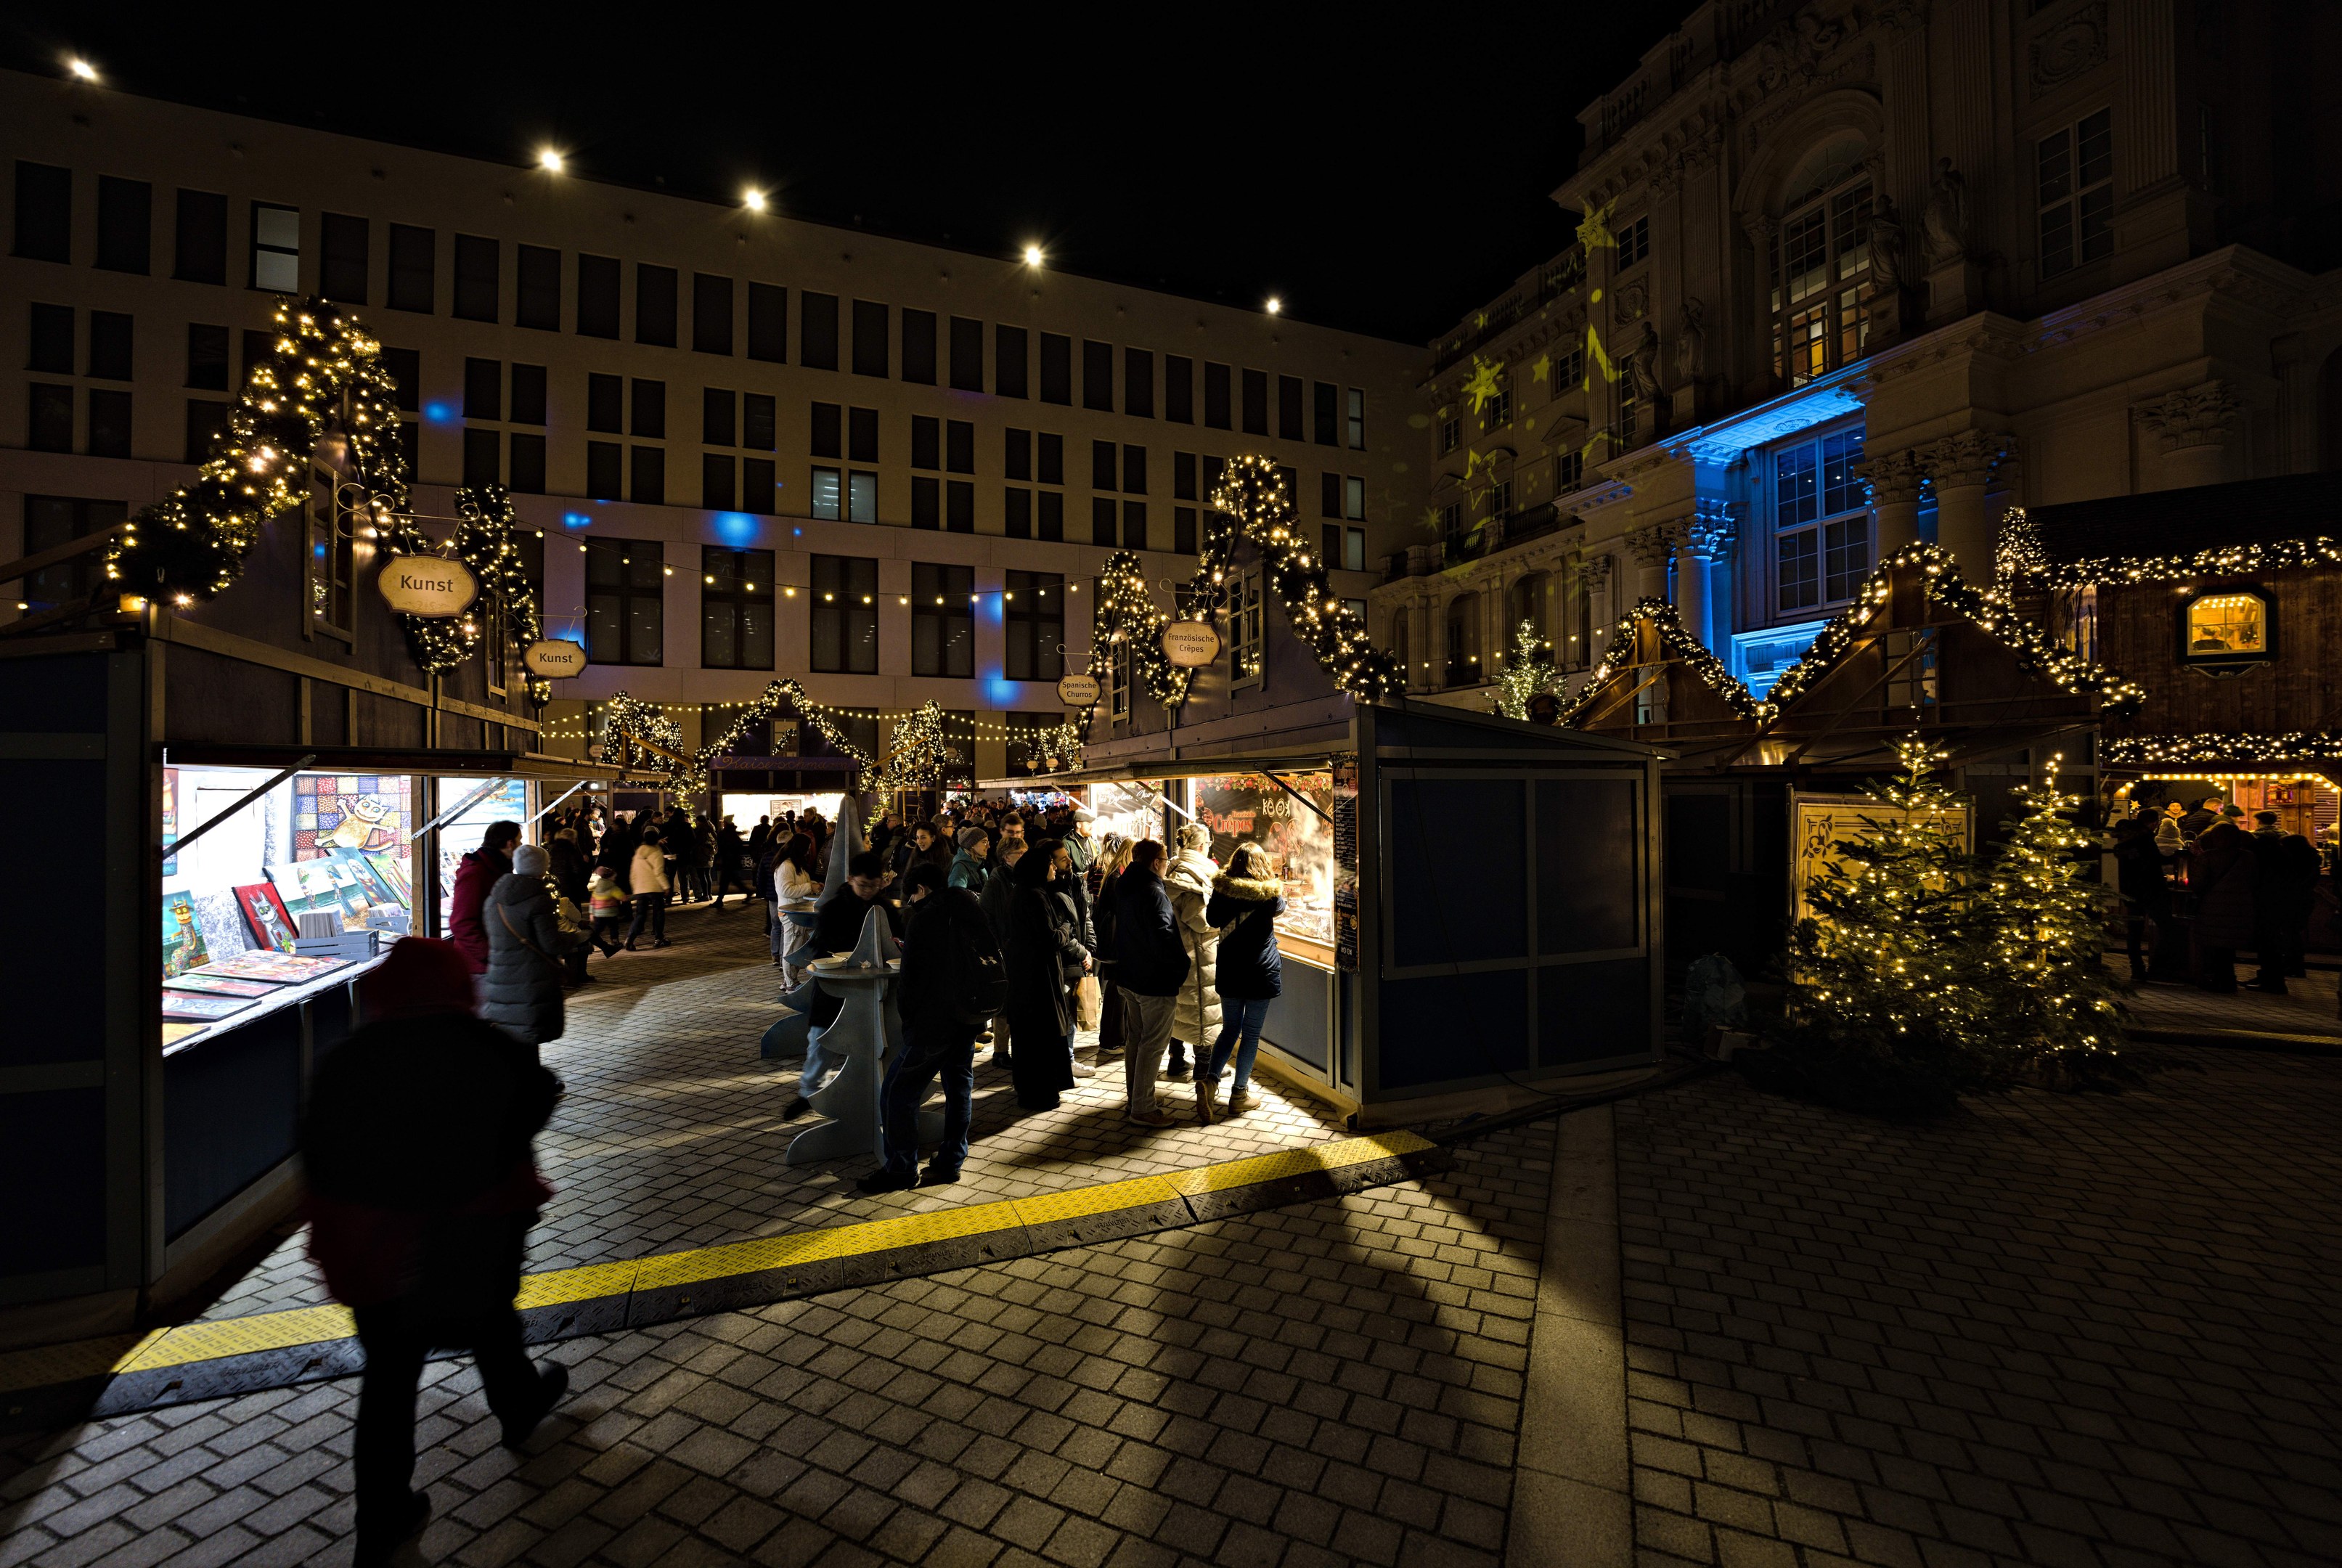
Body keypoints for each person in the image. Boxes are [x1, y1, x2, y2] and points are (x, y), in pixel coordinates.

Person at [301, 938, 566, 1568]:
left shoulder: (345, 1061)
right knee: (493, 1323)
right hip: (474, 1238)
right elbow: (540, 1094)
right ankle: (519, 1405)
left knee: (390, 1378)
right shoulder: (486, 1048)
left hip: (377, 1255)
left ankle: (382, 1516)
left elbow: (319, 1157)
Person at [857, 864, 991, 1193]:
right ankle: (951, 1160)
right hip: (968, 1016)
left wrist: (909, 1021)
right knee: (959, 1086)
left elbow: (912, 980)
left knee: (897, 1090)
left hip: (934, 1022)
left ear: (922, 889)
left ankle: (901, 1167)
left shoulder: (925, 918)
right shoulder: (971, 908)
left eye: (912, 892)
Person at [780, 851, 898, 1119]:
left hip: (876, 989)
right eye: (862, 885)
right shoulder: (834, 908)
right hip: (835, 988)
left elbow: (896, 944)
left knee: (882, 1044)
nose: (868, 891)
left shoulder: (886, 909)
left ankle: (880, 1098)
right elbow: (821, 948)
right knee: (821, 1041)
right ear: (850, 879)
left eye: (874, 885)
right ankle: (809, 1094)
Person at [1199, 844, 1286, 1122]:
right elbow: (1281, 908)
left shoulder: (1222, 889)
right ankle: (1239, 1095)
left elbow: (1211, 919)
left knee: (1229, 1028)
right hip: (1261, 971)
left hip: (1231, 970)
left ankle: (1210, 1081)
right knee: (1250, 1034)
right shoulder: (1269, 892)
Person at [1110, 840, 1188, 1127]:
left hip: (1130, 975)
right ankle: (1142, 1106)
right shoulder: (1154, 892)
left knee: (1136, 1039)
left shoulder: (1126, 884)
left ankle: (1137, 1097)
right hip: (1153, 980)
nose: (1167, 865)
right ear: (1157, 862)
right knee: (1153, 1043)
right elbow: (1164, 936)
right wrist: (1180, 968)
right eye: (1166, 861)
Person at [1004, 839, 1086, 1111]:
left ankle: (1035, 1090)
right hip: (1037, 979)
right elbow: (1050, 937)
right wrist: (1065, 926)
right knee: (1041, 1035)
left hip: (1028, 975)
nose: (1053, 867)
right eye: (1050, 863)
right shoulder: (1034, 895)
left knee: (1032, 1037)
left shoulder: (1027, 891)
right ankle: (1041, 1093)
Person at [481, 844, 567, 1053]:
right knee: (529, 1037)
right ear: (542, 868)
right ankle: (532, 1082)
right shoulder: (539, 900)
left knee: (512, 1037)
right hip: (531, 977)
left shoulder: (494, 900)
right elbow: (551, 943)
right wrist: (579, 938)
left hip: (499, 978)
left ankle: (522, 1080)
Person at [1162, 822, 1223, 1082]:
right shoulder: (1195, 877)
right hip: (1199, 955)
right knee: (1201, 1011)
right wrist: (1224, 921)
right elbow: (1200, 921)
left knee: (1179, 1008)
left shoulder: (1174, 869)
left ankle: (1176, 1060)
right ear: (1201, 846)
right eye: (1208, 844)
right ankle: (1204, 1067)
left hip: (1177, 954)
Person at [2249, 811, 2320, 992]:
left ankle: (2290, 967)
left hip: (2288, 902)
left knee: (2285, 935)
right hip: (2302, 901)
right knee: (2292, 934)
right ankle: (2293, 966)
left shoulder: (2287, 866)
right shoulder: (2309, 863)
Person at [2189, 820, 2256, 993]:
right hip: (2240, 907)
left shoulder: (2208, 857)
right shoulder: (2248, 857)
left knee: (2213, 944)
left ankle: (2217, 979)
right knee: (2228, 946)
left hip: (2213, 906)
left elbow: (2198, 882)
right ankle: (2228, 979)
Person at [449, 821, 521, 973]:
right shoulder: (475, 873)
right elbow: (461, 923)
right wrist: (490, 955)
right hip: (479, 967)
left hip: (496, 962)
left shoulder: (500, 868)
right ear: (510, 844)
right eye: (519, 840)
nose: (521, 845)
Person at [979, 838, 1027, 1065]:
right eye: (1019, 853)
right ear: (1007, 857)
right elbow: (986, 915)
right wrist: (997, 944)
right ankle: (1000, 1052)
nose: (1023, 856)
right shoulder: (999, 879)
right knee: (1005, 1003)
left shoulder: (1018, 878)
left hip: (1014, 946)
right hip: (1004, 948)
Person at [2108, 818, 2170, 985]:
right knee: (2166, 928)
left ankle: (2137, 969)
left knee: (2134, 932)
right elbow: (2155, 863)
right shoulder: (2145, 841)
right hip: (2152, 890)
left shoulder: (2119, 846)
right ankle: (2158, 968)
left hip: (2131, 892)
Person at [1090, 835, 1134, 1060]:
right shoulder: (1118, 877)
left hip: (1116, 943)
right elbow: (1123, 909)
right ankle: (1111, 1039)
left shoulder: (1117, 874)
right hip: (1116, 944)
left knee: (1118, 992)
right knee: (1116, 993)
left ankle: (1117, 1037)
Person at [772, 833, 823, 975]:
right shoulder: (787, 866)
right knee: (791, 949)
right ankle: (790, 982)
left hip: (798, 912)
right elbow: (785, 890)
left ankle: (789, 981)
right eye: (807, 848)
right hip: (791, 913)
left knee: (796, 947)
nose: (808, 852)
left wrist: (813, 885)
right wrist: (809, 887)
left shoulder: (795, 864)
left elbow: (799, 884)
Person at [626, 827, 672, 949]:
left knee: (640, 915)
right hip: (654, 888)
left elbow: (633, 873)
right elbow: (658, 872)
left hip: (641, 889)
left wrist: (635, 888)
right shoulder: (657, 852)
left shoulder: (638, 853)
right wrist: (666, 886)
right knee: (658, 913)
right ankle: (659, 938)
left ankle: (630, 939)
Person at [586, 857, 628, 957]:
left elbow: (593, 901)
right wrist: (627, 897)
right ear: (610, 877)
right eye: (614, 877)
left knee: (598, 929)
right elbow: (622, 897)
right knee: (613, 927)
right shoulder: (613, 887)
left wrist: (592, 913)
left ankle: (590, 941)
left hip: (598, 913)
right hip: (611, 912)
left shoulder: (598, 888)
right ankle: (615, 941)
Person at [713, 817, 750, 909]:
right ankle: (747, 892)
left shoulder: (724, 834)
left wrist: (719, 858)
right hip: (733, 862)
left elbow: (721, 847)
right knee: (733, 880)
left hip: (728, 862)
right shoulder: (733, 834)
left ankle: (720, 900)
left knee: (725, 881)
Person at [950, 825, 991, 892]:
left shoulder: (979, 863)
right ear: (972, 844)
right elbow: (957, 896)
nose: (988, 846)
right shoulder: (960, 868)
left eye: (988, 842)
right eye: (984, 842)